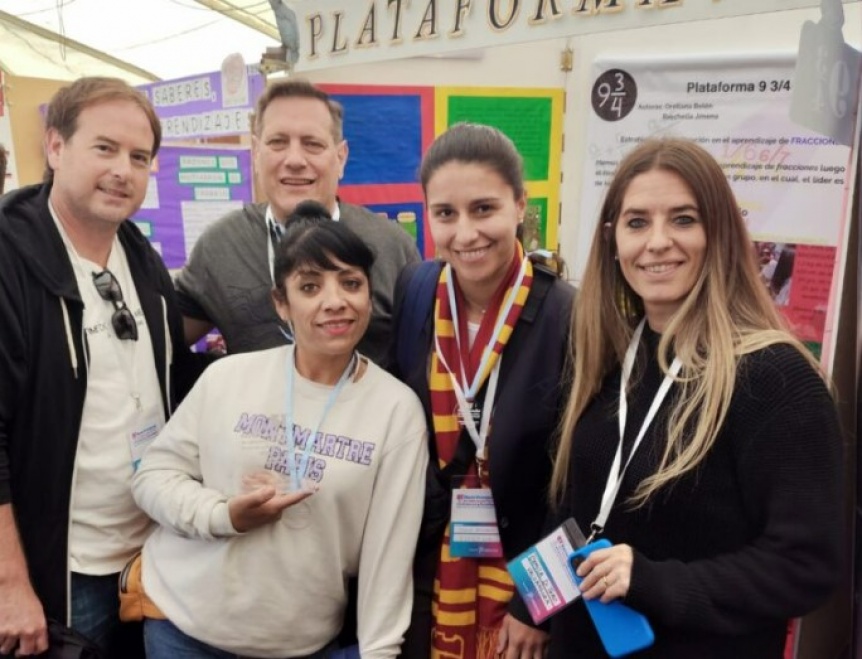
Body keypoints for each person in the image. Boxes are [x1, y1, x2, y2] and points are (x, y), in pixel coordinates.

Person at [548, 138, 843, 658]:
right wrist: (534, 606)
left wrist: (652, 581)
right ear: (614, 241)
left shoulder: (774, 377)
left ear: (719, 234)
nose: (657, 242)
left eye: (683, 219)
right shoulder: (612, 357)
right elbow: (588, 506)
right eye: (637, 223)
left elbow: (805, 567)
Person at [133, 200, 429, 659]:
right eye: (310, 286)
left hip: (298, 644)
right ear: (282, 303)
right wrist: (224, 515)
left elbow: (387, 558)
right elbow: (151, 478)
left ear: (369, 295)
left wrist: (379, 652)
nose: (335, 301)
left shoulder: (396, 411)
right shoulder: (228, 378)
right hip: (182, 631)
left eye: (351, 283)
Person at [0, 77, 205, 657]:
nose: (123, 169)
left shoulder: (139, 257)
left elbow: (170, 376)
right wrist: (9, 586)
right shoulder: (10, 260)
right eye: (105, 148)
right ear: (55, 148)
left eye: (139, 157)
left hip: (150, 553)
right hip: (64, 568)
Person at [392, 123, 575, 659]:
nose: (465, 233)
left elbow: (581, 482)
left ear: (520, 206)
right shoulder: (417, 288)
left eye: (484, 209)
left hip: (522, 576)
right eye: (445, 214)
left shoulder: (571, 316)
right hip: (427, 560)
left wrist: (539, 603)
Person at [175, 78, 420, 364]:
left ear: (340, 158)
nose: (294, 159)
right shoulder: (222, 246)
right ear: (256, 154)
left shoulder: (391, 245)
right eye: (278, 143)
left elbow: (425, 357)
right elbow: (158, 347)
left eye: (312, 144)